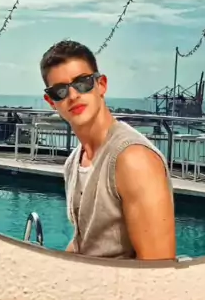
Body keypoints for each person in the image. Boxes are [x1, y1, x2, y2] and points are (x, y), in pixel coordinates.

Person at [40, 39, 176, 260]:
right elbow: (86, 244)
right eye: (60, 91)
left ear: (101, 85)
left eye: (82, 83)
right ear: (50, 101)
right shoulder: (74, 161)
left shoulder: (133, 160)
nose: (73, 95)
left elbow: (158, 268)